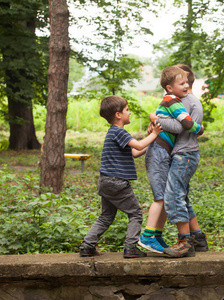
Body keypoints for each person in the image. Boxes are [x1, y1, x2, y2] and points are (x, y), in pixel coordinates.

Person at [79, 95, 163, 258]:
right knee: (136, 214)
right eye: (127, 110)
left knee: (106, 216)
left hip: (105, 181)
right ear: (118, 115)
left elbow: (134, 152)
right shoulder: (119, 132)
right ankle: (131, 247)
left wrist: (152, 140)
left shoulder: (114, 133)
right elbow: (138, 145)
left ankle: (87, 246)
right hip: (117, 182)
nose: (129, 113)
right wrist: (156, 134)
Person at [138, 65, 204, 254]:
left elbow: (181, 126)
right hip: (180, 153)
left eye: (183, 81)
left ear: (186, 82)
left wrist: (155, 117)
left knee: (173, 196)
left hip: (185, 155)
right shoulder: (180, 101)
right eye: (179, 82)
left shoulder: (187, 102)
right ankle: (197, 238)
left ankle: (185, 242)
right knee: (179, 195)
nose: (181, 85)